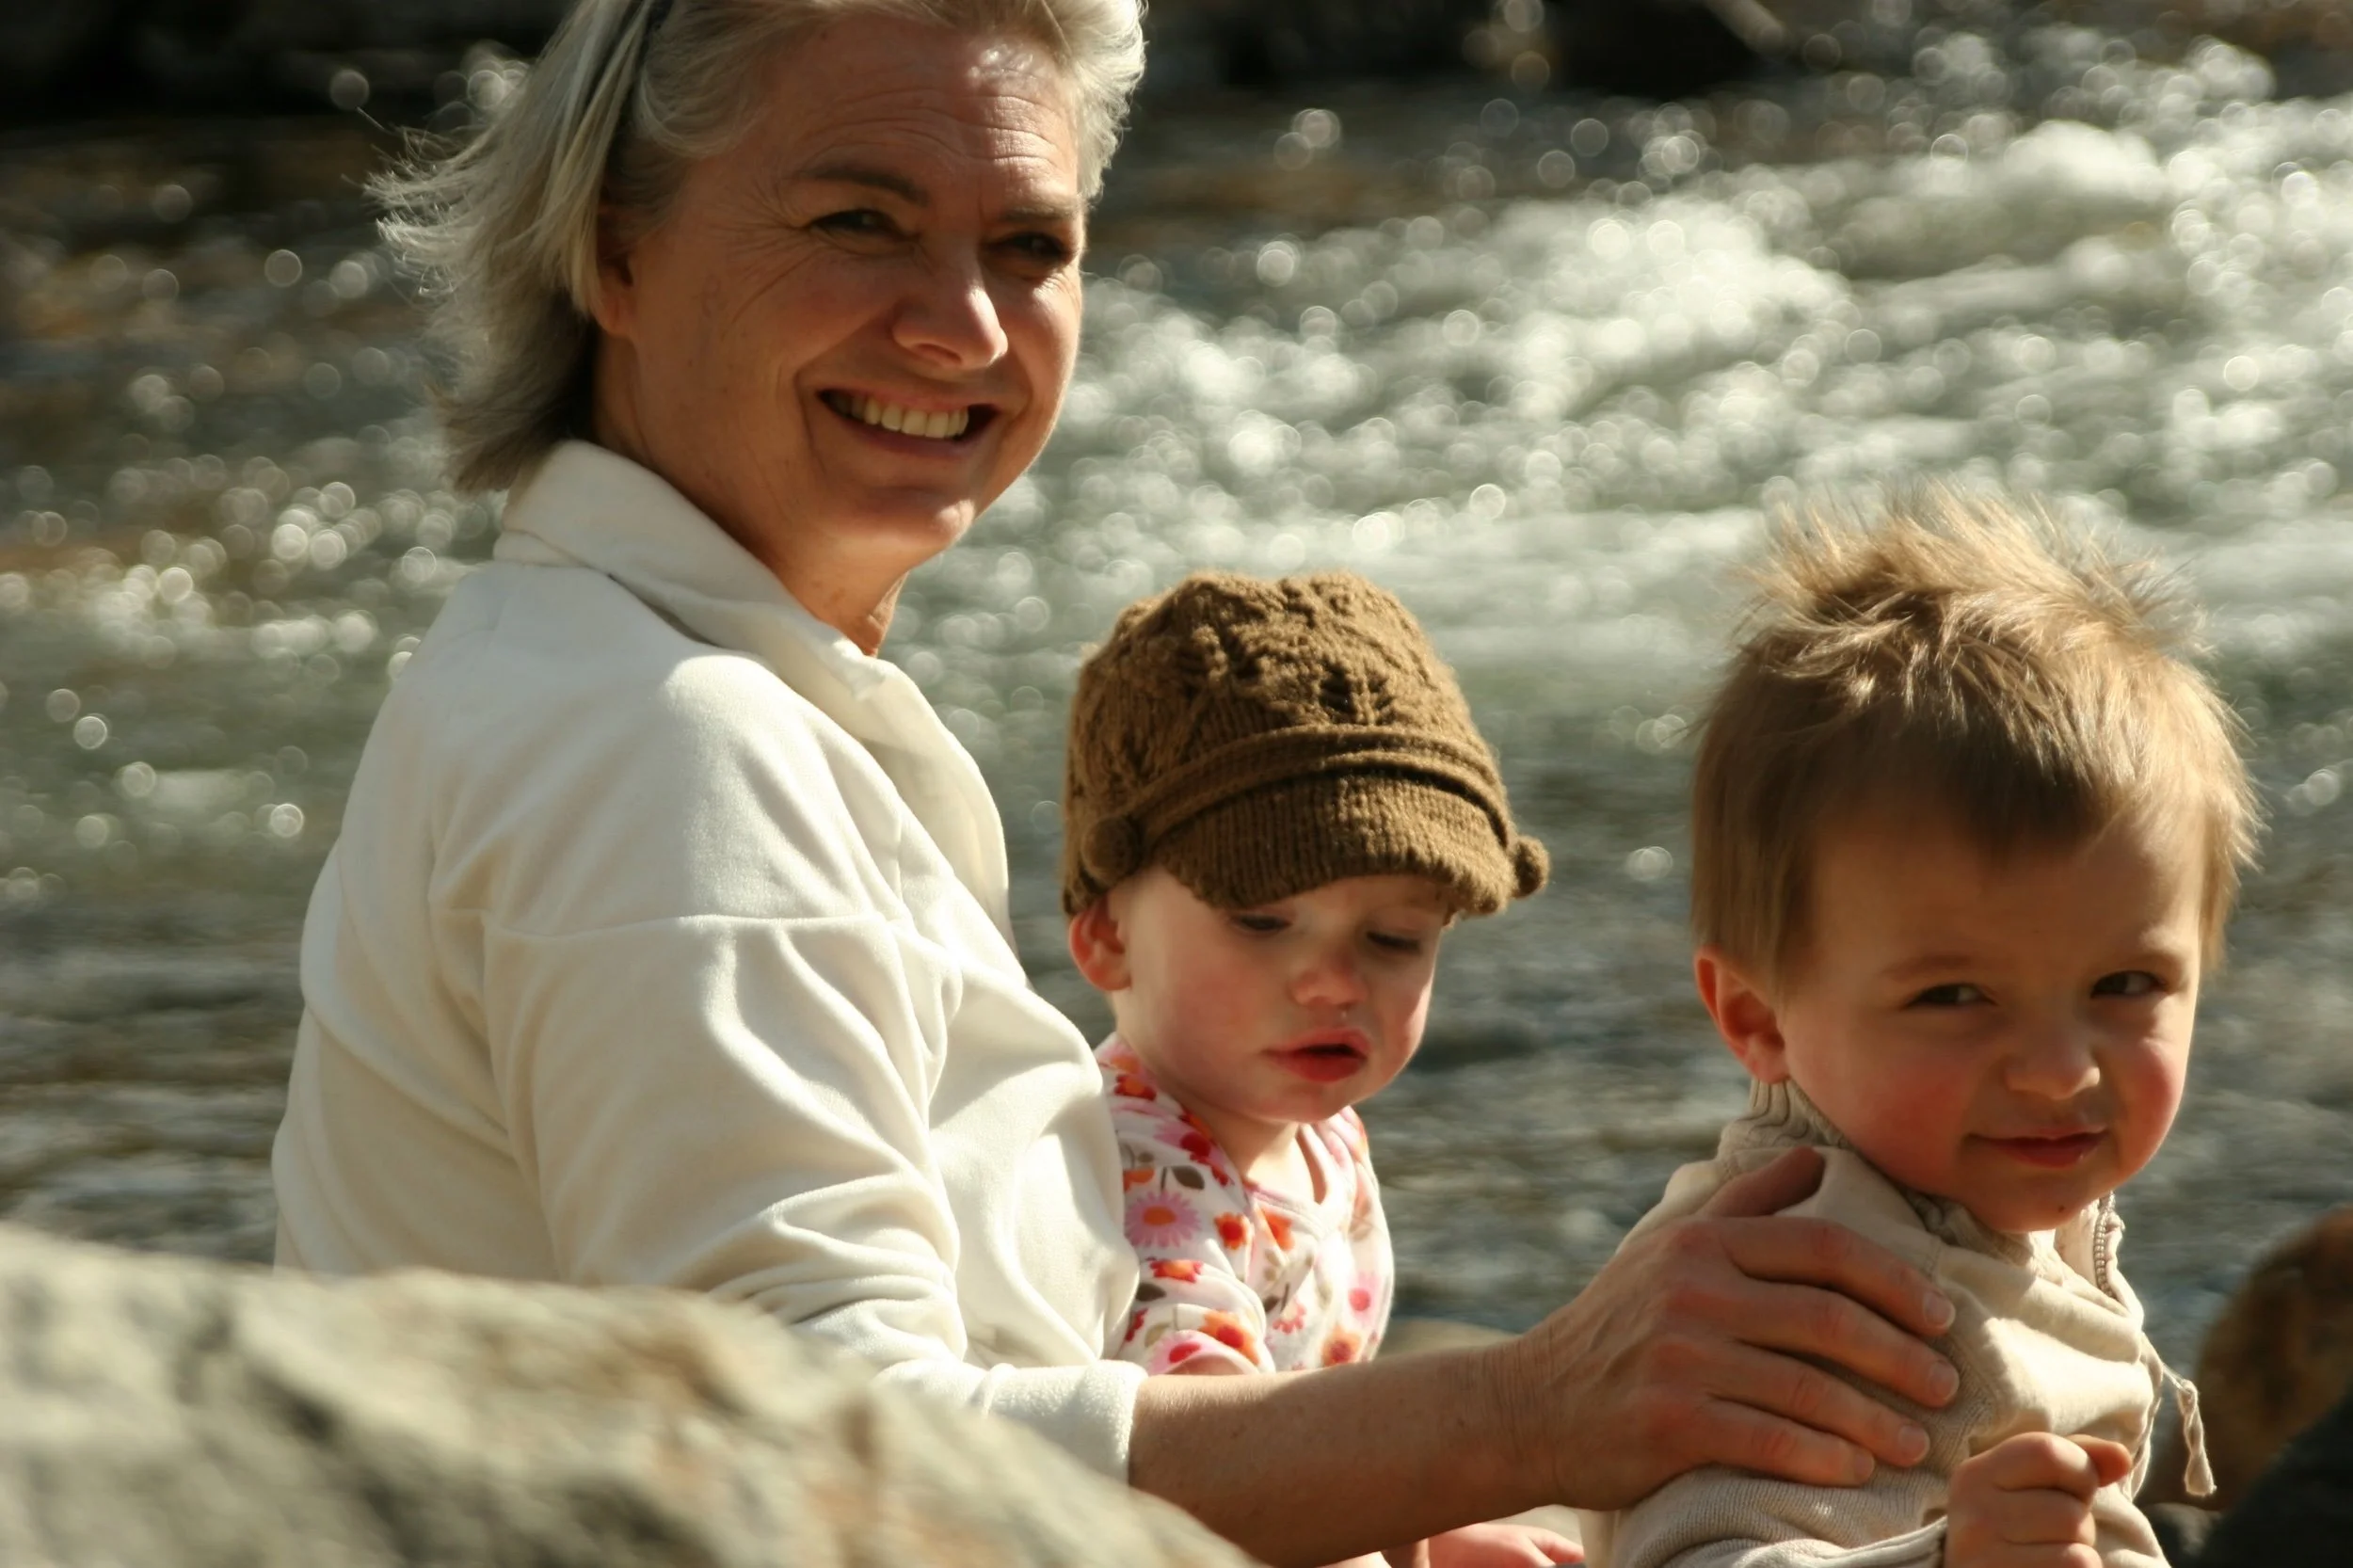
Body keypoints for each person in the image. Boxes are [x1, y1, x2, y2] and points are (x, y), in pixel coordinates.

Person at [266, 0, 1967, 1561]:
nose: (962, 326)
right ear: (612, 255)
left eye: (1031, 243)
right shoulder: (667, 749)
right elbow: (805, 1462)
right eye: (857, 221)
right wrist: (1526, 1412)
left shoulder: (590, 664)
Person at [1580, 496, 2247, 1568]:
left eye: (2125, 983)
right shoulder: (1790, 1290)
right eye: (1953, 997)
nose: (2058, 1070)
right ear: (1759, 1019)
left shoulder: (2000, 1209)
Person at [1062, 570, 1574, 1567]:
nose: (1335, 982)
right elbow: (1219, 1457)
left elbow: (1318, 1431)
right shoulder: (1137, 1163)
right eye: (1262, 922)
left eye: (1393, 938)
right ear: (1106, 938)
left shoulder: (1318, 1133)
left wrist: (1425, 1530)